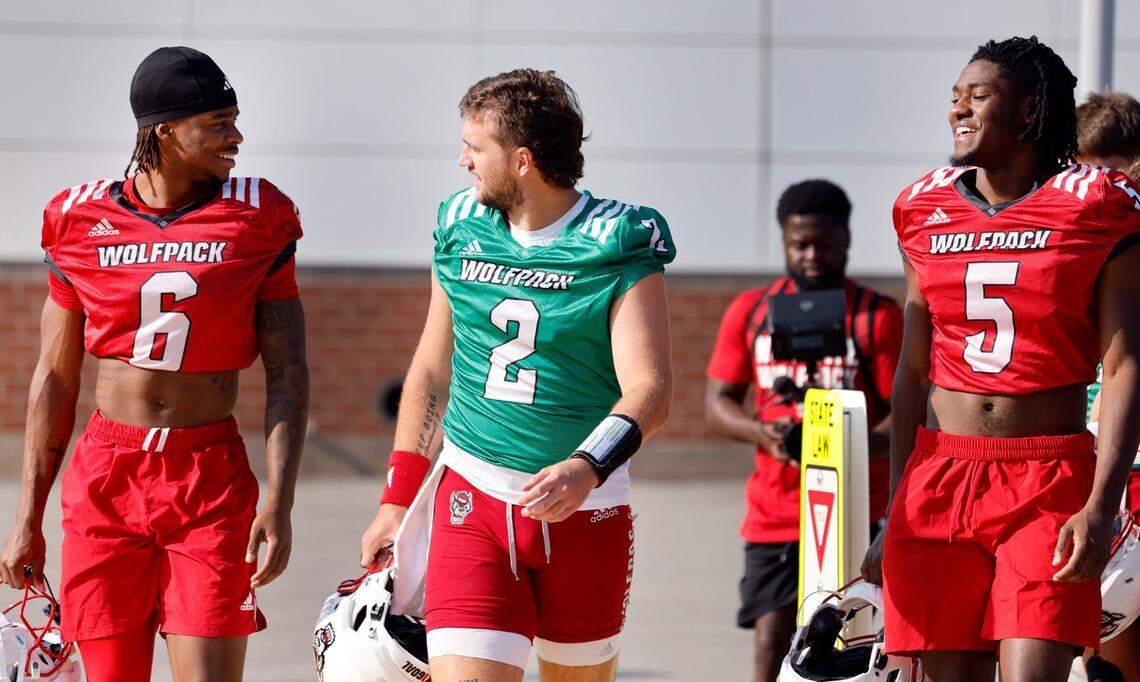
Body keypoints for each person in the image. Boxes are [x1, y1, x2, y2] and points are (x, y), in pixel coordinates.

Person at [0, 47, 308, 682]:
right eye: (218, 123)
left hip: (209, 473)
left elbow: (289, 373)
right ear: (164, 130)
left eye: (236, 119)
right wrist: (27, 517)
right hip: (108, 476)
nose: (236, 137)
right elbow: (55, 377)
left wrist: (280, 499)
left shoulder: (258, 213)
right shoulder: (78, 217)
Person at [359, 69, 674, 682]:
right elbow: (429, 367)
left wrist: (587, 466)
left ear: (522, 160)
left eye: (475, 148)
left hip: (585, 512)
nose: (462, 161)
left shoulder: (614, 240)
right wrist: (398, 498)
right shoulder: (459, 226)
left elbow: (651, 391)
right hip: (470, 500)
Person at [861, 36, 1140, 682]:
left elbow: (1125, 366)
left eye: (978, 95)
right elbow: (912, 369)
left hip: (1046, 480)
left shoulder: (1097, 206)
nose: (959, 108)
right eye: (954, 96)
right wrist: (897, 504)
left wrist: (1102, 503)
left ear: (1030, 110)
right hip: (940, 477)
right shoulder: (921, 207)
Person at [704, 179, 902, 682]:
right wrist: (763, 432)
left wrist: (852, 445)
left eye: (824, 244)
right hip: (776, 514)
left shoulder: (876, 317)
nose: (812, 255)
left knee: (866, 649)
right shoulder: (750, 311)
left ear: (847, 240)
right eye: (800, 245)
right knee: (773, 644)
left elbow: (907, 413)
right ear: (784, 242)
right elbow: (717, 404)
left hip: (863, 513)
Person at [1076, 90, 1140, 682]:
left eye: (1116, 178)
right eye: (1087, 175)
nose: (1103, 196)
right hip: (1095, 480)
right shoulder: (1067, 255)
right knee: (1101, 656)